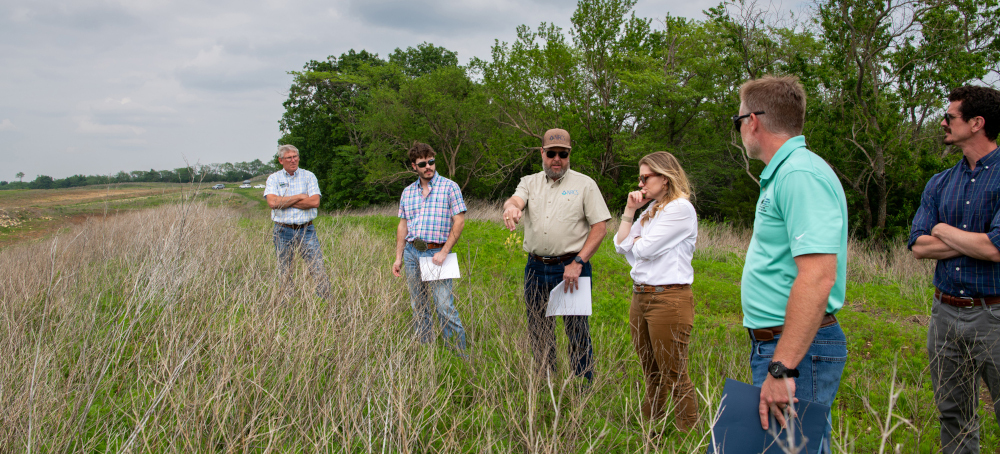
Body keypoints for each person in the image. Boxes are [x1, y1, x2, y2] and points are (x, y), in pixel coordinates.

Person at [735, 76, 849, 448]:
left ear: (753, 121)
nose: (740, 129)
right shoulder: (786, 173)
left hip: (796, 347)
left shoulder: (799, 174)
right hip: (784, 344)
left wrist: (783, 367)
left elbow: (817, 277)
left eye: (738, 120)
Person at [909, 85, 1000, 454]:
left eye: (950, 117)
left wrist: (943, 230)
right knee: (953, 414)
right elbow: (917, 246)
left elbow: (995, 249)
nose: (943, 122)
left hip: (993, 315)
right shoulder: (940, 182)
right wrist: (975, 241)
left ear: (977, 123)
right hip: (944, 314)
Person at [501, 128, 611, 385]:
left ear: (569, 154)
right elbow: (515, 200)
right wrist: (511, 208)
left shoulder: (585, 184)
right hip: (536, 268)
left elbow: (600, 227)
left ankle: (584, 386)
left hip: (571, 269)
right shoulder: (529, 182)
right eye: (552, 153)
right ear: (542, 153)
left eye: (563, 154)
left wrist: (578, 262)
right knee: (539, 330)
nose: (557, 159)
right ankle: (546, 382)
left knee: (577, 331)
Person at [613, 151, 699, 431]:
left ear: (664, 177)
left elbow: (644, 249)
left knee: (674, 373)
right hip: (641, 297)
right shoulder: (651, 210)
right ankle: (652, 430)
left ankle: (688, 435)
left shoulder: (680, 208)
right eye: (640, 178)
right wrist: (629, 213)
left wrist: (636, 240)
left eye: (645, 178)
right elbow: (619, 244)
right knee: (651, 372)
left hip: (668, 298)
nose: (640, 184)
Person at [392, 142, 468, 350]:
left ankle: (458, 355)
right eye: (423, 163)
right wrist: (398, 257)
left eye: (431, 162)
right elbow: (403, 225)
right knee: (418, 305)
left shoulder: (450, 187)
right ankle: (426, 349)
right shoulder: (407, 192)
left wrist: (444, 251)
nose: (428, 167)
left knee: (444, 307)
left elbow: (459, 221)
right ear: (413, 167)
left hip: (437, 252)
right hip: (411, 252)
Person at [264, 144, 331, 298]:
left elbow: (314, 202)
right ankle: (287, 301)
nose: (293, 160)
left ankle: (326, 300)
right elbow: (273, 203)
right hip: (282, 230)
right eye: (289, 158)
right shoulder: (274, 178)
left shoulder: (309, 176)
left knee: (317, 266)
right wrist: (300, 196)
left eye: (295, 157)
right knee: (285, 268)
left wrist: (284, 202)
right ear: (281, 160)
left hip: (306, 229)